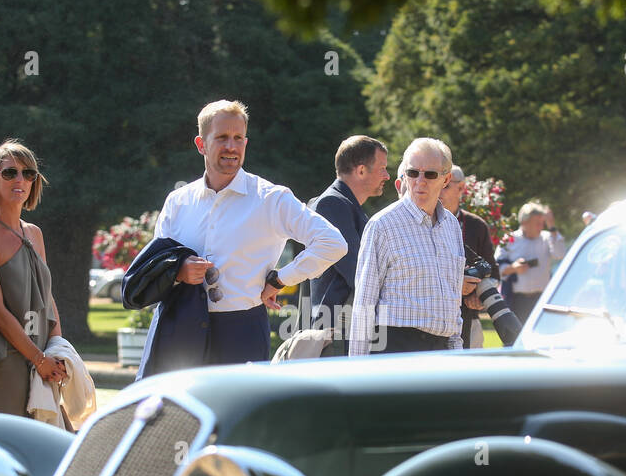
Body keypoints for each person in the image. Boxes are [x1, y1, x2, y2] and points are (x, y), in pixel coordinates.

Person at [148, 99, 346, 366]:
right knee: (177, 409)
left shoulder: (271, 198)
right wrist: (179, 270)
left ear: (245, 143)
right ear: (201, 144)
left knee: (239, 409)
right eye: (222, 137)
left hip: (241, 331)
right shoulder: (178, 201)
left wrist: (281, 279)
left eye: (238, 138)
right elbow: (155, 266)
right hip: (179, 328)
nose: (231, 146)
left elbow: (332, 242)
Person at [0, 139, 67, 416]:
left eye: (28, 173)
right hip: (5, 361)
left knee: (49, 443)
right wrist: (38, 358)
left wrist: (57, 349)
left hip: (43, 358)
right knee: (3, 444)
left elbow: (46, 296)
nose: (20, 180)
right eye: (10, 172)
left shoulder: (34, 233)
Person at [349, 138, 472, 355]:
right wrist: (357, 370)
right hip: (396, 351)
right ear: (404, 175)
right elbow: (364, 304)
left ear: (446, 179)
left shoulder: (452, 226)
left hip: (443, 352)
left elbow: (453, 301)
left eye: (430, 174)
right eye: (413, 173)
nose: (420, 181)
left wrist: (456, 349)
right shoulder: (382, 225)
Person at [308, 135, 390, 354]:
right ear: (361, 170)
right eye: (382, 168)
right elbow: (358, 272)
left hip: (346, 329)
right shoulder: (332, 204)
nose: (387, 176)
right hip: (336, 333)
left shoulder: (345, 205)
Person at [439, 163, 498, 348]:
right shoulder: (423, 222)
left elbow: (493, 273)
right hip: (431, 320)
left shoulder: (476, 226)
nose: (440, 189)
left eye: (446, 185)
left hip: (469, 319)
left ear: (461, 188)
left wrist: (479, 296)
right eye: (439, 183)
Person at [495, 201, 567, 323]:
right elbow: (496, 268)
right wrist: (513, 268)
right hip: (517, 301)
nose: (540, 227)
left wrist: (552, 226)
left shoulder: (547, 237)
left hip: (542, 299)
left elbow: (560, 254)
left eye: (542, 223)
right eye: (537, 223)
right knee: (516, 339)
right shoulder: (509, 239)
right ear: (524, 222)